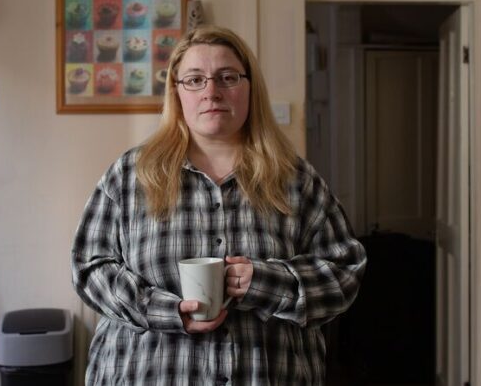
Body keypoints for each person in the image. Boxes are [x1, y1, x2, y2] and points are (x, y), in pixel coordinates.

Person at [71, 25, 367, 385]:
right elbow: (90, 268)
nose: (211, 91)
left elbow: (344, 272)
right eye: (194, 80)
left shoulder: (295, 179)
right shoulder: (131, 175)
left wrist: (264, 282)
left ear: (250, 87)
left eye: (227, 77)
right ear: (177, 92)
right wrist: (167, 311)